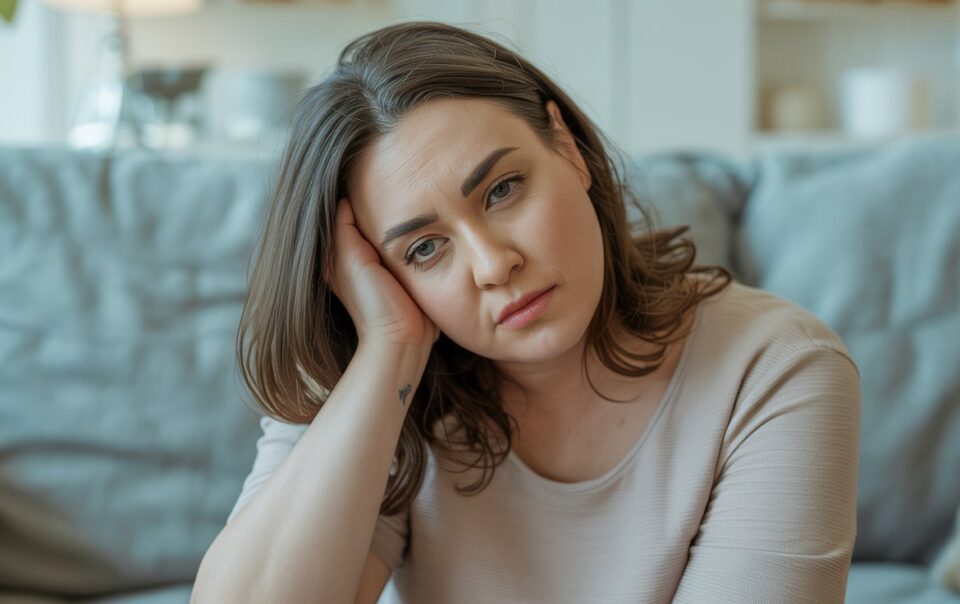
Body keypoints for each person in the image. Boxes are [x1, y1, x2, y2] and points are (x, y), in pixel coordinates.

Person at [192, 21, 861, 604]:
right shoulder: (370, 384)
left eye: (503, 189)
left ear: (567, 149)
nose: (492, 263)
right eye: (425, 249)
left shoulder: (778, 370)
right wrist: (390, 351)